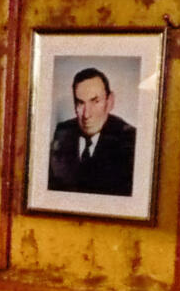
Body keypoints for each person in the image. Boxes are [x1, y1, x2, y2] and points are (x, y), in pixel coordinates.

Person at [47, 67, 137, 196]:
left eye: (95, 101)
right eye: (80, 103)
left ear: (109, 102)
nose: (86, 114)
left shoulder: (129, 139)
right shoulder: (63, 132)